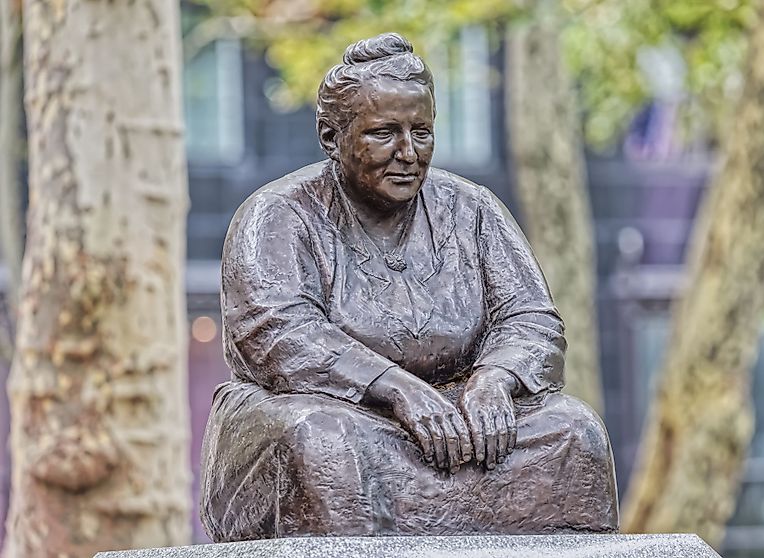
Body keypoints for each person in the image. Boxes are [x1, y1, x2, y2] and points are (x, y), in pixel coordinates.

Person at [200, 32, 618, 542]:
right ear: (332, 137)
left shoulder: (474, 210)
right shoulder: (278, 214)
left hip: (459, 415)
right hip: (329, 415)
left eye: (421, 132)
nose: (407, 153)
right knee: (325, 444)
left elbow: (530, 318)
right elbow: (276, 333)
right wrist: (395, 387)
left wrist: (494, 380)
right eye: (383, 133)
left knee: (574, 431)